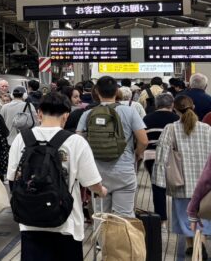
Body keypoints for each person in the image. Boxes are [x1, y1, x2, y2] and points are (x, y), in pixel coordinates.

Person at [7, 93, 107, 260]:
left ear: (39, 113)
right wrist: (101, 191)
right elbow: (91, 182)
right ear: (66, 116)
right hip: (66, 223)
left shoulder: (21, 139)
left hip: (29, 222)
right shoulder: (76, 141)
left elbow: (12, 177)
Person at [76, 76, 148, 217]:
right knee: (125, 217)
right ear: (117, 91)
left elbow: (79, 142)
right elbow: (144, 141)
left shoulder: (87, 114)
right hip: (124, 171)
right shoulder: (130, 112)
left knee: (101, 216)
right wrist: (137, 154)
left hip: (97, 173)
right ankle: (122, 239)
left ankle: (101, 239)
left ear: (96, 92)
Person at [154, 95, 211, 255]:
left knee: (184, 216)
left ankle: (191, 245)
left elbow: (162, 156)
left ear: (175, 109)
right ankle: (201, 245)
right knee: (203, 215)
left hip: (181, 182)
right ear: (193, 107)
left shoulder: (170, 128)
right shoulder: (207, 129)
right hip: (205, 184)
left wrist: (159, 181)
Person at [143, 92, 179, 221]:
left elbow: (143, 140)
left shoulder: (147, 119)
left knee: (157, 187)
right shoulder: (177, 119)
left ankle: (161, 218)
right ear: (172, 104)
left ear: (156, 105)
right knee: (178, 185)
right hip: (173, 158)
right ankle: (179, 217)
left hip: (151, 157)